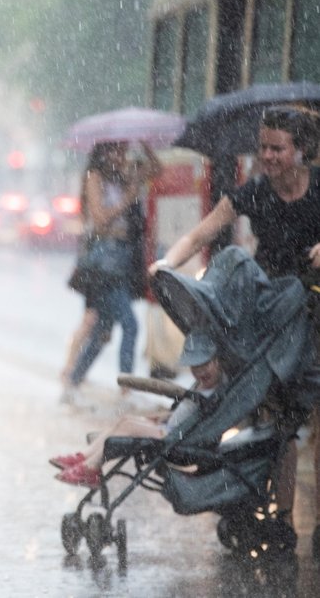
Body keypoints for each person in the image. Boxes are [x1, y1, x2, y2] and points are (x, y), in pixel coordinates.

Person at [148, 106, 320, 556]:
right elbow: (201, 234)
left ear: (302, 150)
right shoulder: (255, 192)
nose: (267, 156)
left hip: (315, 313)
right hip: (271, 316)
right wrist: (168, 265)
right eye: (263, 147)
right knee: (279, 424)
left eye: (277, 148)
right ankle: (281, 522)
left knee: (317, 422)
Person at [51, 331, 221, 488]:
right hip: (171, 429)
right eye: (195, 367)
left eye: (205, 365)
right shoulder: (201, 385)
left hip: (177, 440)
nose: (200, 372)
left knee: (129, 426)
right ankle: (83, 456)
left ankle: (92, 467)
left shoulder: (216, 391)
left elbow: (200, 418)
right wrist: (166, 416)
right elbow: (188, 412)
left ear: (217, 361)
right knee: (125, 420)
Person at [60, 141, 161, 404]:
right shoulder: (95, 178)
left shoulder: (124, 175)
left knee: (102, 332)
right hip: (104, 264)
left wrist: (146, 147)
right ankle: (126, 390)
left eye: (122, 150)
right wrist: (127, 199)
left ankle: (72, 383)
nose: (119, 156)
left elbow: (157, 170)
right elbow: (100, 219)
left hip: (125, 261)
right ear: (103, 153)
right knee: (130, 324)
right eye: (114, 150)